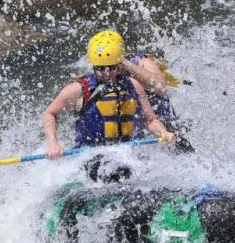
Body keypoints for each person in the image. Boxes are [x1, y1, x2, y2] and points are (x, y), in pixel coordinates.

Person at [42, 32, 175, 162]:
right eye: (101, 68)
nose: (106, 74)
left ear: (119, 64)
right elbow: (50, 113)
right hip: (91, 157)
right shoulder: (79, 89)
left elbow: (150, 120)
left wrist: (163, 132)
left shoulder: (134, 85)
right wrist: (53, 144)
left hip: (129, 155)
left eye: (111, 68)